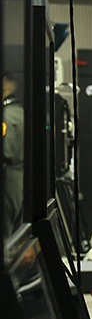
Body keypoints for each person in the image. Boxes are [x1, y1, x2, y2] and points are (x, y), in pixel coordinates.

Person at [2, 74, 24, 239]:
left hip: (9, 176)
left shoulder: (7, 115)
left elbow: (7, 152)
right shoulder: (21, 111)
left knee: (6, 231)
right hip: (22, 177)